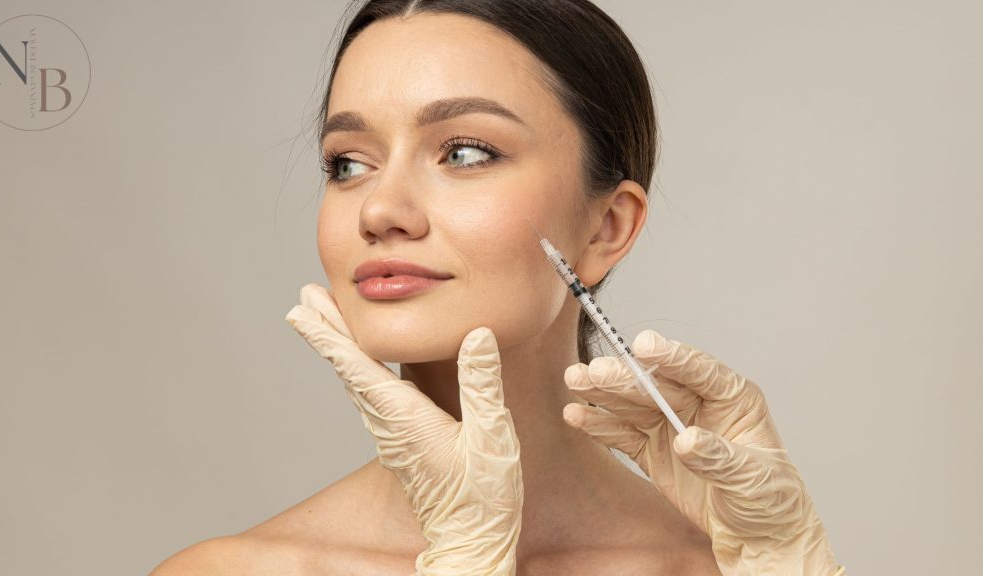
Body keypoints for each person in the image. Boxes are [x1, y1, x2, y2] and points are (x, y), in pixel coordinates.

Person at [151, 1, 844, 574]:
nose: (379, 210)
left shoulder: (729, 567)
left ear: (605, 227)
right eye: (348, 163)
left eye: (465, 153)